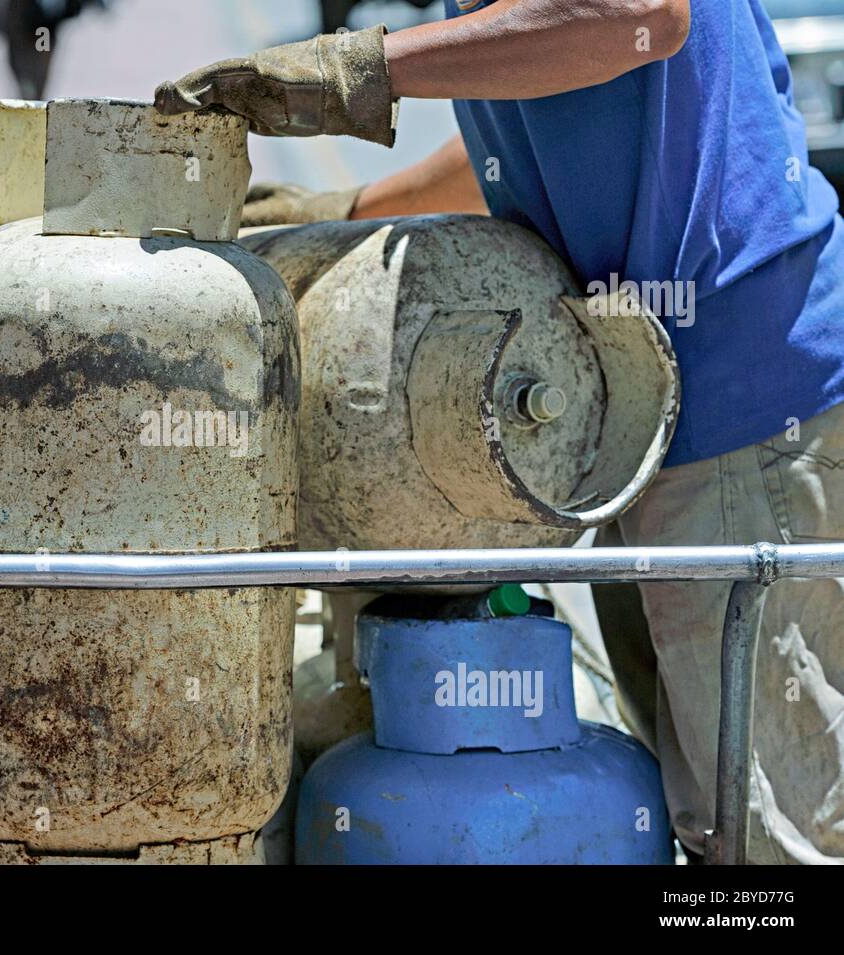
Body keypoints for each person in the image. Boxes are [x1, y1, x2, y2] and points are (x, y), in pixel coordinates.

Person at [157, 0, 844, 864]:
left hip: (746, 390)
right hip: (631, 412)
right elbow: (530, 113)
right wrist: (350, 206)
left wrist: (361, 70)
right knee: (710, 820)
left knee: (769, 840)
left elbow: (639, 15)